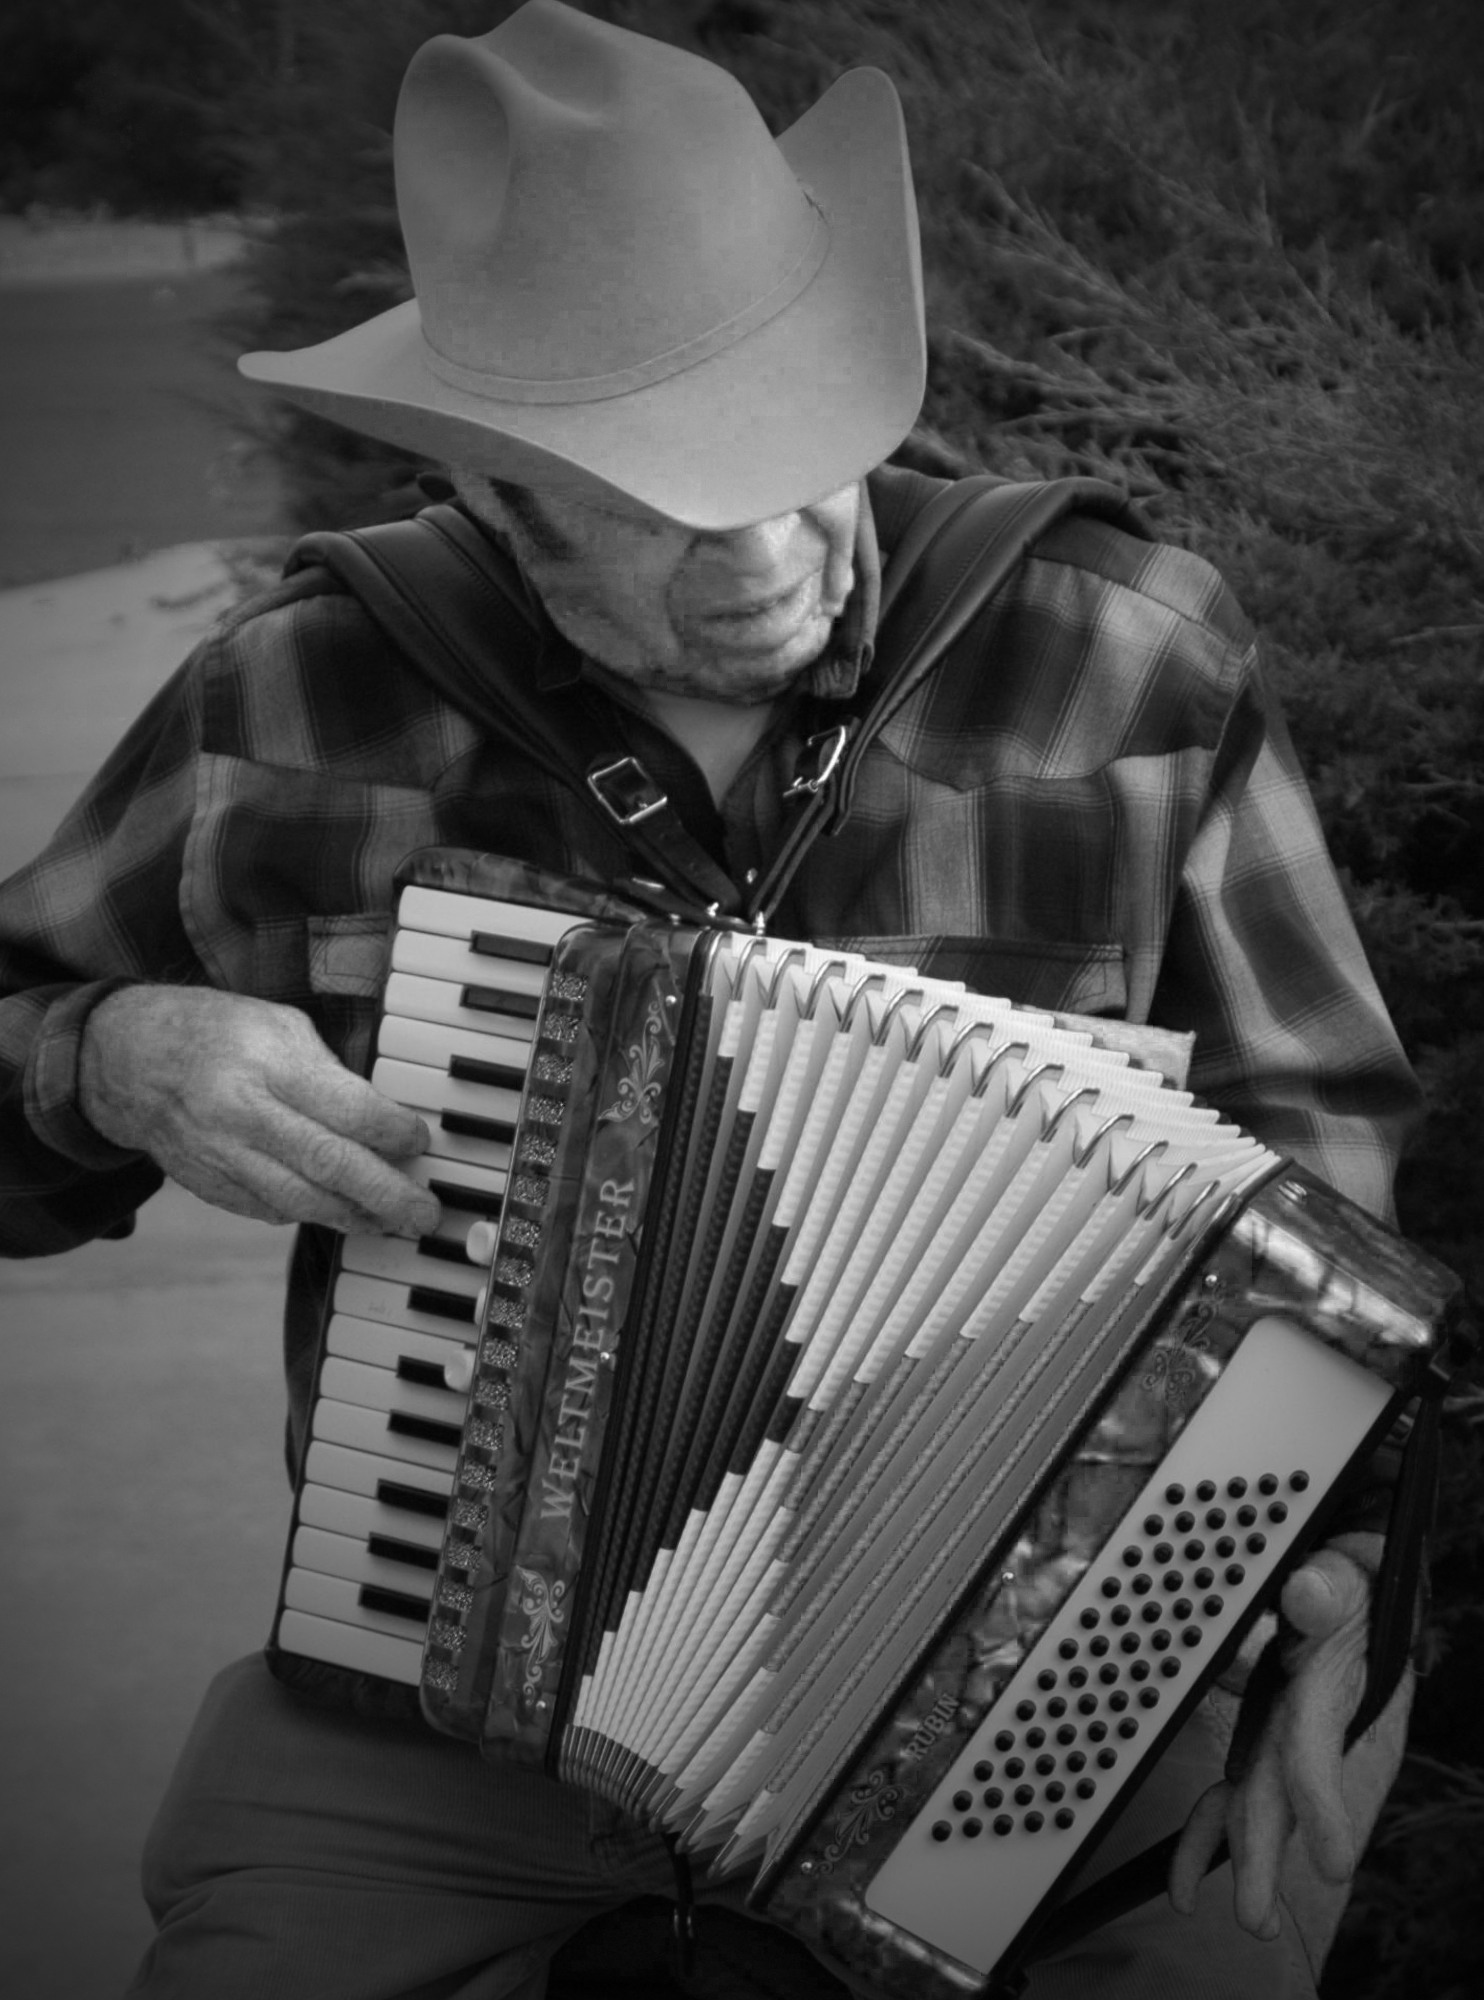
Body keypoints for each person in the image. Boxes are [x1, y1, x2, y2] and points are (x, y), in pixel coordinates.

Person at [0, 6, 1422, 1997]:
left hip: (1041, 1708)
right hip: (444, 1706)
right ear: (492, 490)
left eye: (799, 447)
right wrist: (110, 1056)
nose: (764, 554)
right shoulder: (300, 698)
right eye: (663, 499)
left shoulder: (1120, 658)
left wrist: (1346, 1563)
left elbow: (1329, 1190)